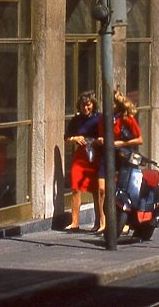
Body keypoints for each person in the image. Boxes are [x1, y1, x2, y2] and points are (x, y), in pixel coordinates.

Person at [97, 91, 143, 234]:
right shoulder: (104, 119)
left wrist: (120, 143)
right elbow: (102, 135)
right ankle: (103, 222)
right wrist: (101, 140)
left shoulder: (127, 118)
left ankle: (124, 221)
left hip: (123, 156)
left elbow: (139, 139)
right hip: (107, 154)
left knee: (122, 189)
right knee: (102, 189)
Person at [64, 91, 103, 232]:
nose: (85, 108)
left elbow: (105, 136)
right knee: (75, 187)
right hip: (80, 155)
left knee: (96, 190)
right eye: (83, 105)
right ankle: (74, 222)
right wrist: (75, 139)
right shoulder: (76, 120)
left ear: (93, 104)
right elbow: (66, 138)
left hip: (95, 154)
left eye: (88, 105)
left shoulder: (99, 118)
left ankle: (99, 222)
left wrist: (98, 142)